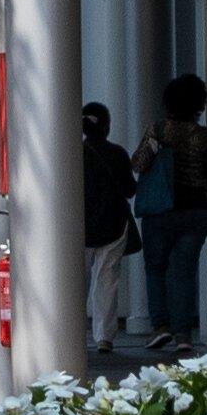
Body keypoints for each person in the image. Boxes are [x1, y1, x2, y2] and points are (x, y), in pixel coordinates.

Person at [137, 76, 207, 354]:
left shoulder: (159, 130)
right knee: (184, 271)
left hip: (161, 210)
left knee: (156, 268)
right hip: (196, 210)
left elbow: (139, 164)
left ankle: (161, 326)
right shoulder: (206, 136)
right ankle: (184, 334)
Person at [79, 102, 137, 357]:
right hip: (114, 225)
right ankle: (104, 337)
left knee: (75, 283)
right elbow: (129, 190)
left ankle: (69, 332)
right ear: (106, 126)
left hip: (79, 228)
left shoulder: (72, 154)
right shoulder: (118, 153)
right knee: (106, 281)